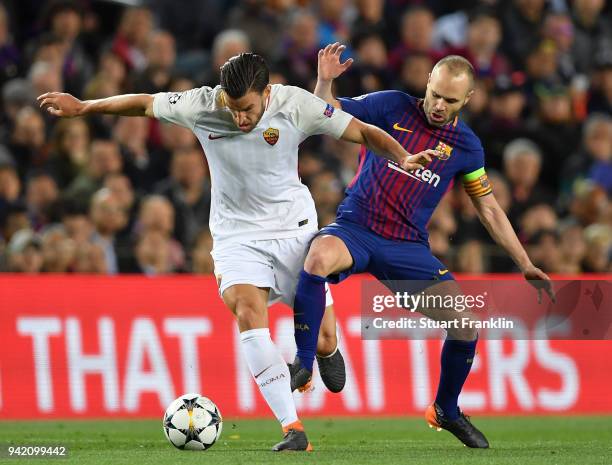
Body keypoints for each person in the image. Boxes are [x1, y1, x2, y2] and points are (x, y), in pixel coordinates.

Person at [37, 52, 434, 451]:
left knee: (325, 339)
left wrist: (403, 157)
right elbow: (143, 103)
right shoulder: (203, 104)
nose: (239, 119)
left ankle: (326, 349)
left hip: (294, 233)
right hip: (236, 236)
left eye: (247, 109)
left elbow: (363, 132)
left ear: (266, 92)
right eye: (232, 108)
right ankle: (292, 428)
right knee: (247, 312)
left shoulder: (295, 104)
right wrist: (85, 107)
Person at [289, 43, 555, 449]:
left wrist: (524, 262)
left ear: (467, 99)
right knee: (318, 256)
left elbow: (488, 207)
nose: (438, 105)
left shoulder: (467, 146)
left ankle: (446, 409)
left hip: (407, 249)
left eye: (450, 100)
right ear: (427, 82)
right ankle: (304, 364)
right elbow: (325, 112)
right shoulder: (391, 106)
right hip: (356, 229)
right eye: (435, 94)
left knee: (466, 324)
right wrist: (325, 80)